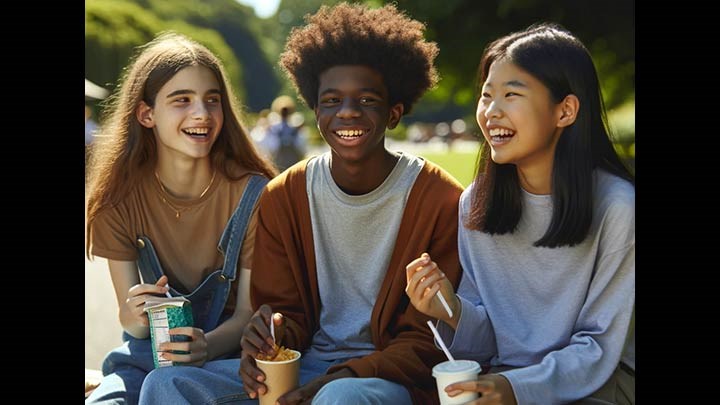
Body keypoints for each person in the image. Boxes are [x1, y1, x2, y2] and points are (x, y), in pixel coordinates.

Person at [138, 3, 464, 404]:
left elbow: (428, 340)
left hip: (385, 377)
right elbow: (285, 314)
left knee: (339, 399)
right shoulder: (285, 195)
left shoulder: (439, 199)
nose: (347, 112)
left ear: (394, 112)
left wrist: (334, 380)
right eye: (331, 100)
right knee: (166, 384)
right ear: (315, 110)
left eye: (366, 100)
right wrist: (265, 338)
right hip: (303, 365)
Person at [405, 22, 635, 405]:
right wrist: (450, 307)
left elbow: (599, 347)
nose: (491, 112)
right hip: (505, 381)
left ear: (565, 110)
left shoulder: (617, 207)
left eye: (511, 94)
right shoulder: (476, 204)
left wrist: (517, 389)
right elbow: (492, 341)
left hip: (601, 387)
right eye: (486, 96)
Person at [85, 32, 277, 404]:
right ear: (146, 114)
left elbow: (248, 313)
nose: (202, 114)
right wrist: (135, 313)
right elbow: (131, 326)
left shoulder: (256, 195)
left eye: (212, 100)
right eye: (182, 101)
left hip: (232, 358)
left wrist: (204, 346)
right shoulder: (116, 200)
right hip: (148, 358)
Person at [264, 95, 307, 172]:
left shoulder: (275, 128)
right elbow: (301, 148)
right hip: (287, 162)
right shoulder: (294, 128)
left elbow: (271, 148)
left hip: (284, 162)